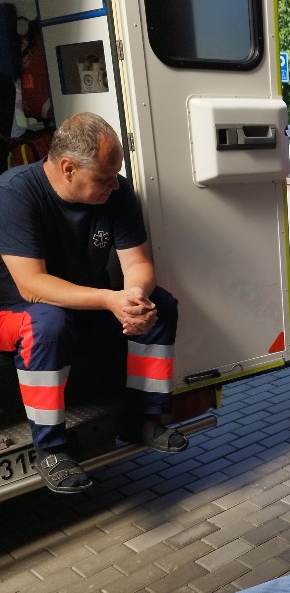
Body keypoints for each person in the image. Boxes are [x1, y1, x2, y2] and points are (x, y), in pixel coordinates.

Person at [0, 111, 188, 495]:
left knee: (161, 305)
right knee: (46, 321)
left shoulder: (116, 191)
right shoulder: (15, 193)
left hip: (81, 307)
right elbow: (32, 286)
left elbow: (137, 263)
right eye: (103, 178)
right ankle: (52, 449)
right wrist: (108, 299)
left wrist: (133, 298)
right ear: (68, 168)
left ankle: (140, 419)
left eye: (115, 176)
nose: (114, 185)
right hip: (15, 311)